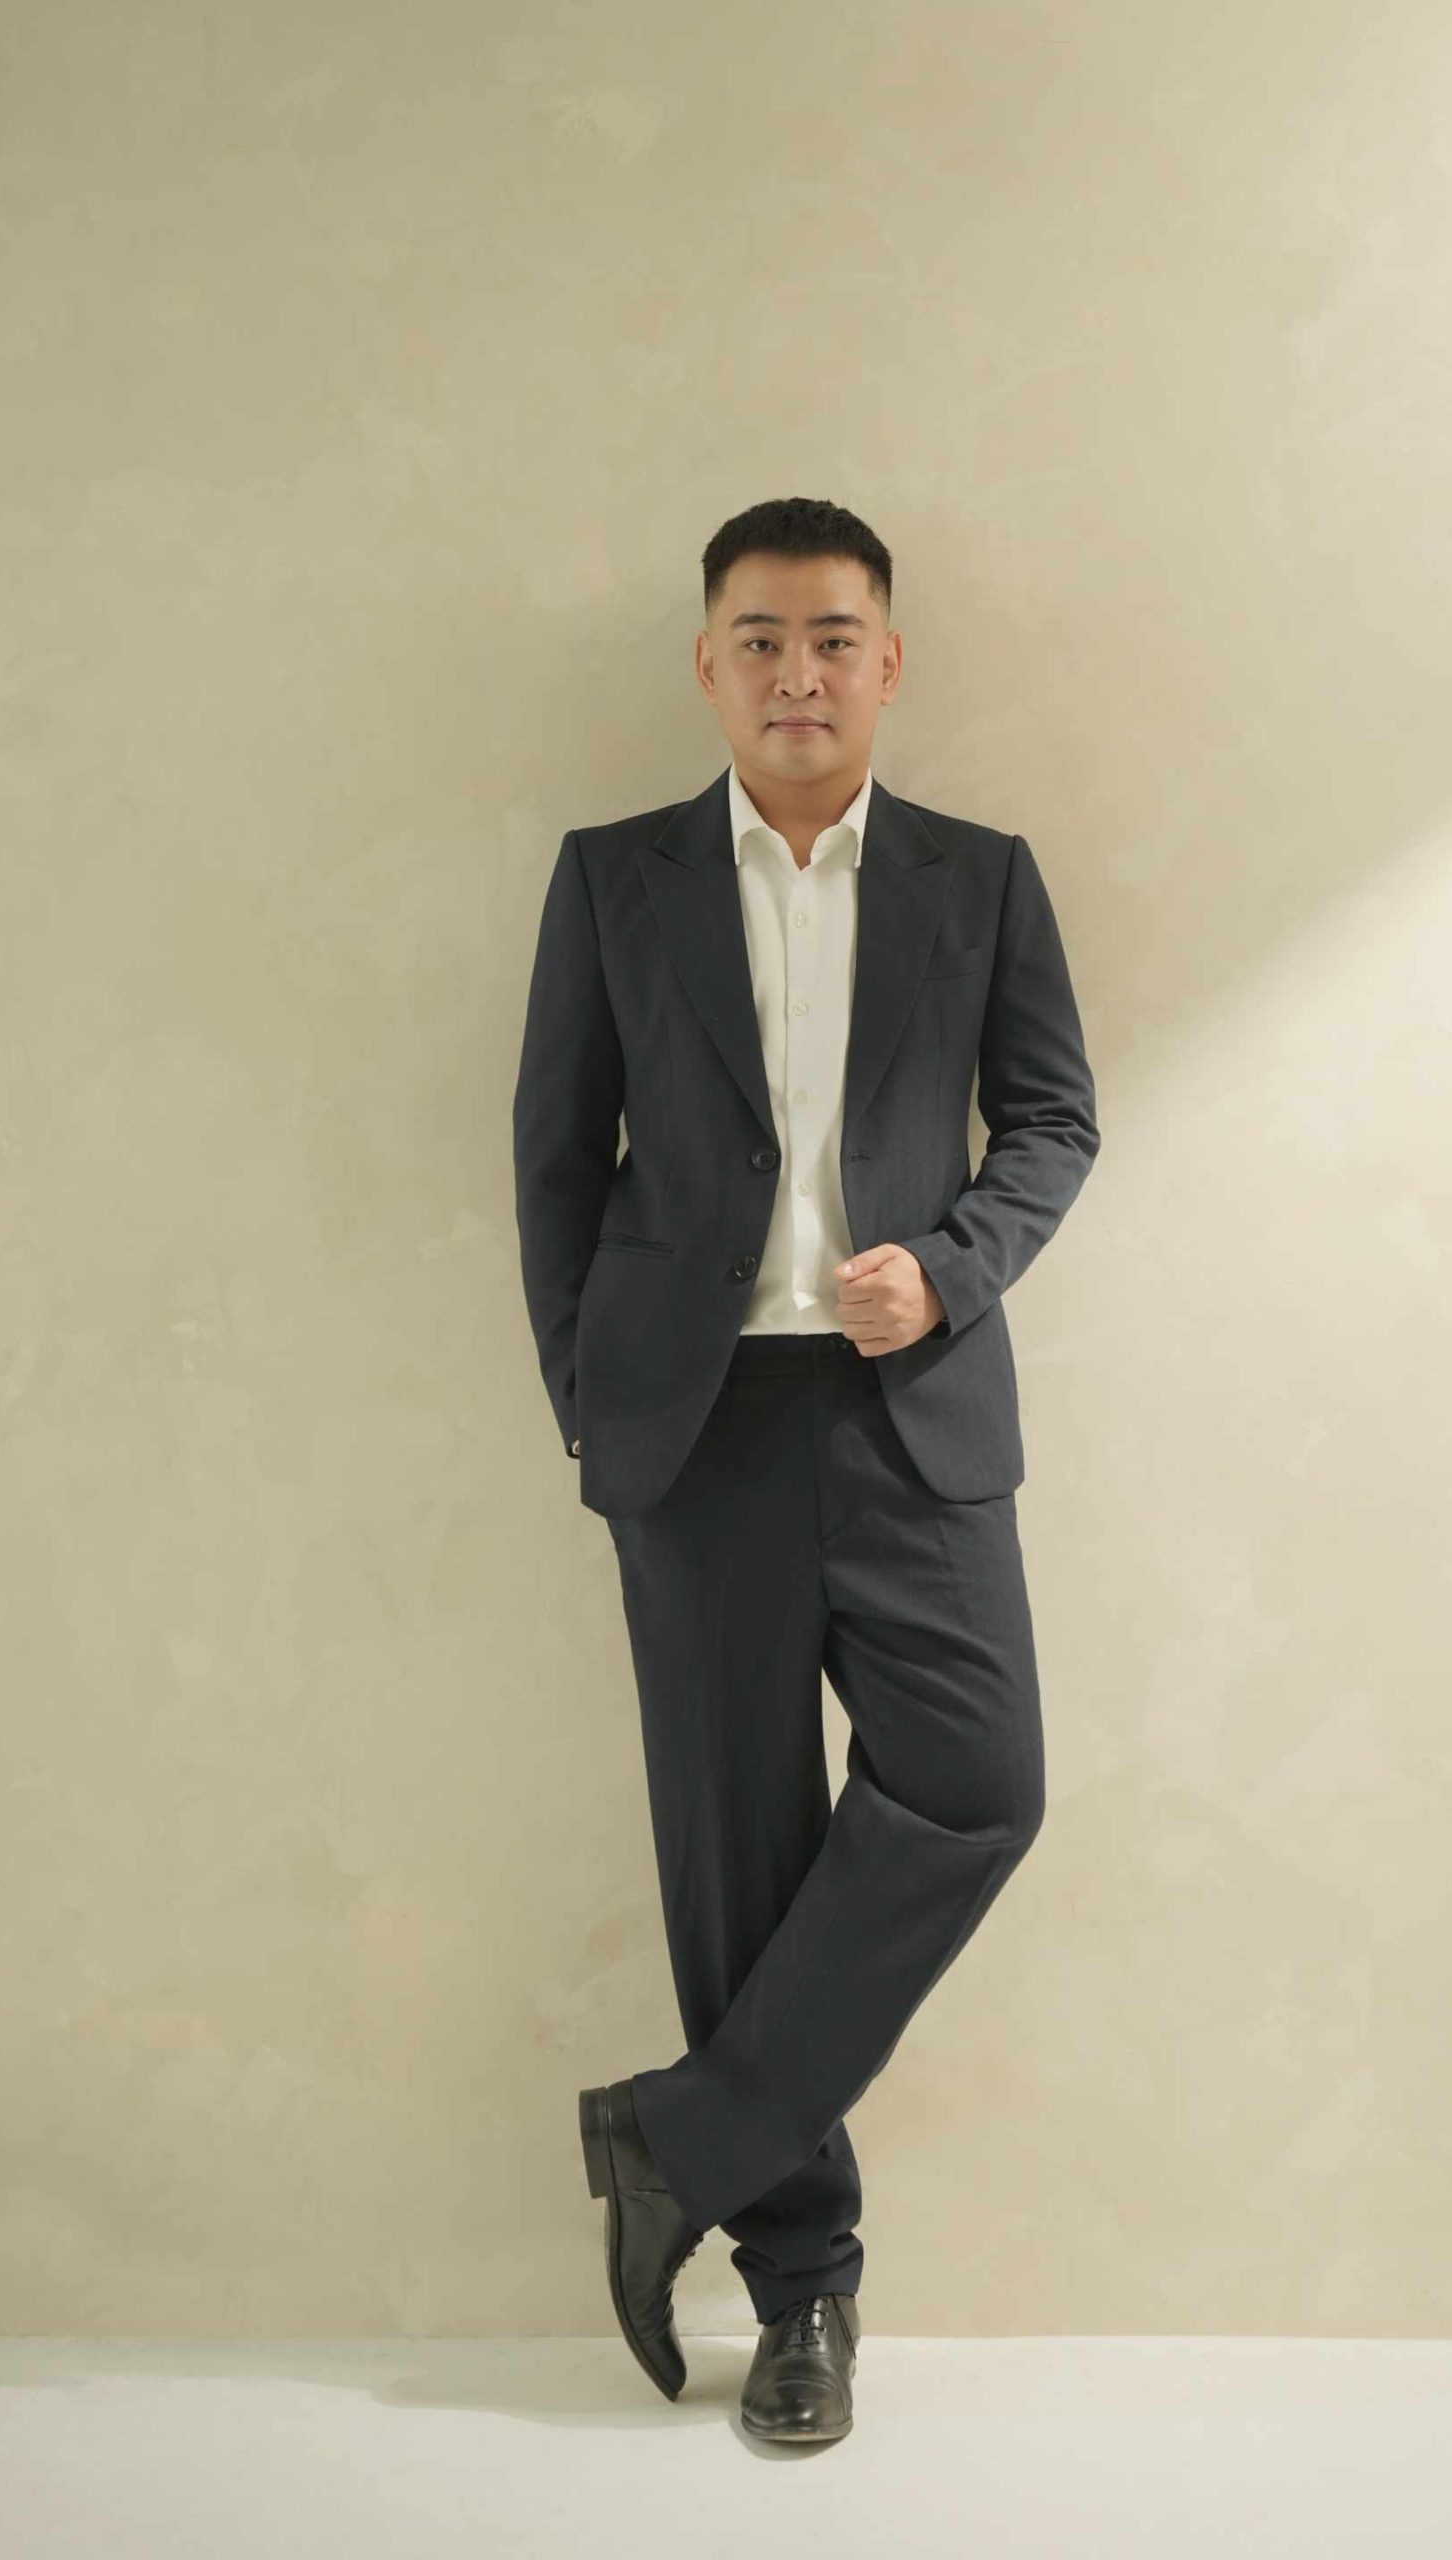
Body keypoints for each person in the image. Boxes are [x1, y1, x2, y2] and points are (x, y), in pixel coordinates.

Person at [513, 495, 1099, 2443]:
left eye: (832, 637)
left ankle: (676, 2138)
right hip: (695, 1435)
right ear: (707, 665)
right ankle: (801, 2297)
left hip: (910, 1414)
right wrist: (592, 1401)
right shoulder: (614, 880)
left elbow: (1053, 1121)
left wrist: (948, 1267)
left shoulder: (977, 879)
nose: (795, 671)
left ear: (886, 663)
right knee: (738, 1861)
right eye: (757, 638)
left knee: (980, 1781)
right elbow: (553, 1160)